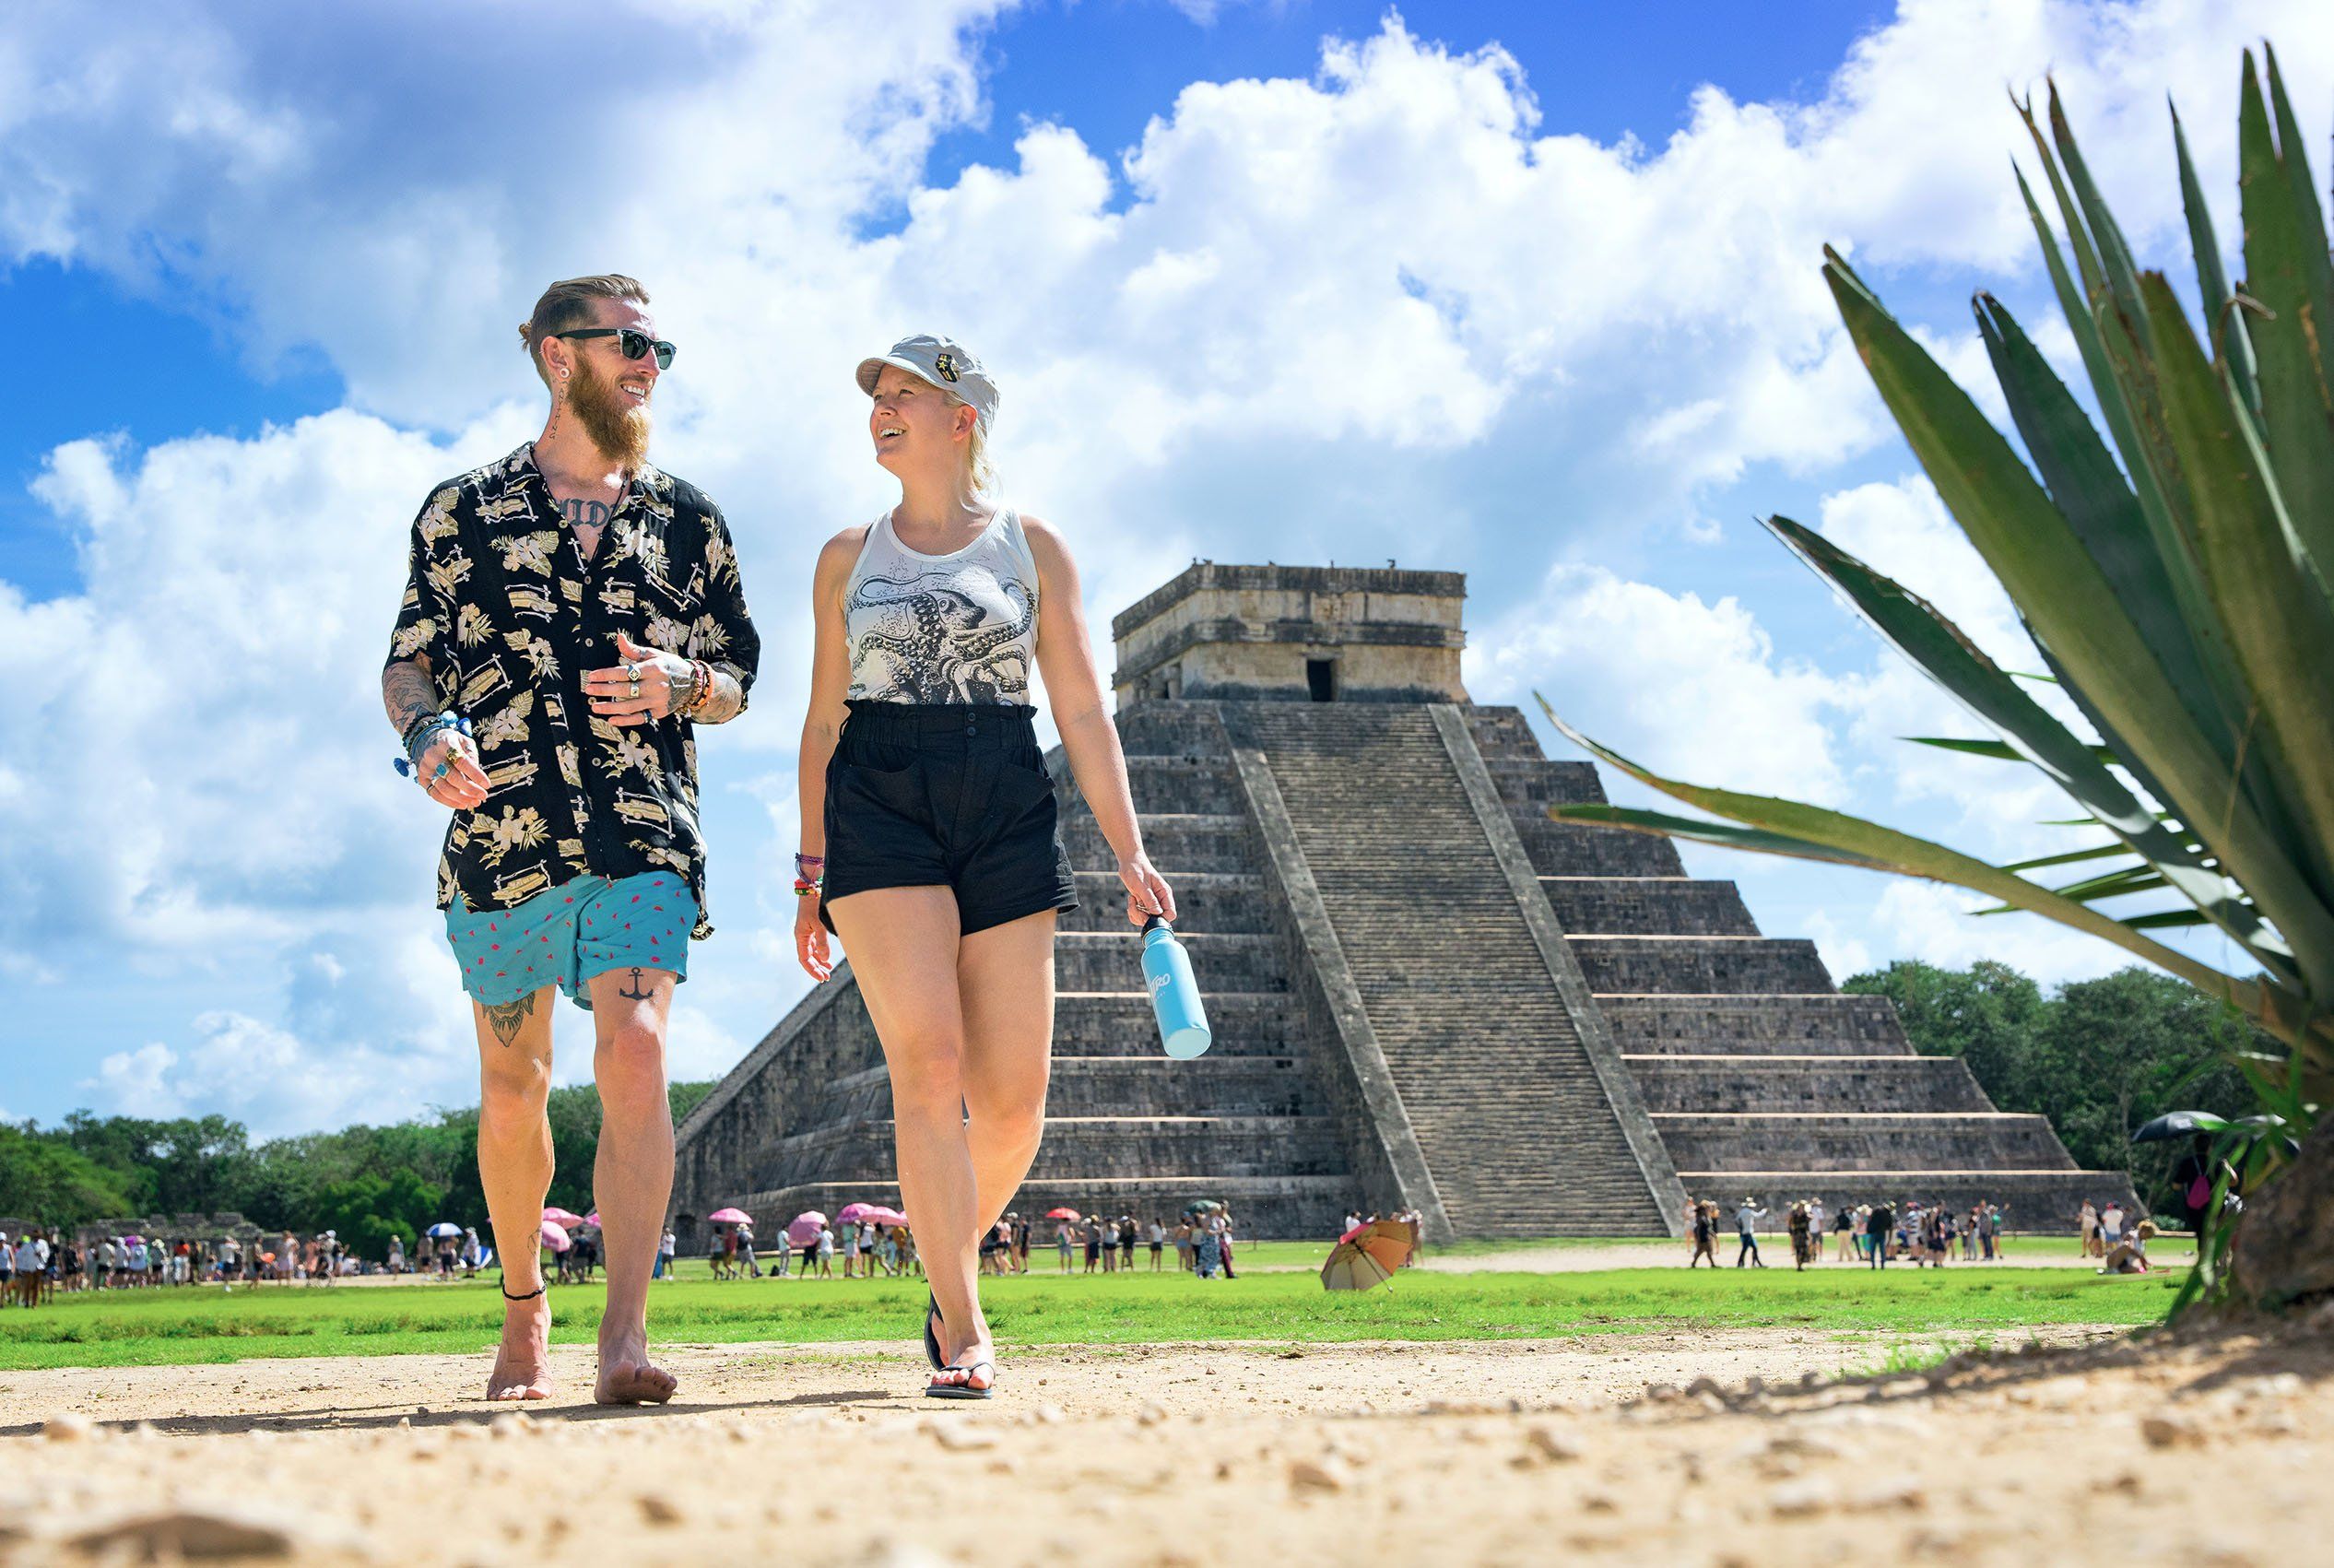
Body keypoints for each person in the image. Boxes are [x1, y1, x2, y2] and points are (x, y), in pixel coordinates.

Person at [383, 275, 759, 1404]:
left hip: (645, 831)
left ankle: (625, 1336)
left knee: (637, 1050)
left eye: (662, 349)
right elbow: (410, 657)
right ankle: (523, 1305)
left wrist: (681, 680)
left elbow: (738, 677)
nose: (652, 366)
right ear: (558, 355)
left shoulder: (689, 518)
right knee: (514, 1083)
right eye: (633, 345)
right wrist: (424, 732)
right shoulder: (459, 509)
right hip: (501, 836)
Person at [791, 335, 1174, 1401]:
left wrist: (1131, 848)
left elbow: (1083, 709)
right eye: (878, 394)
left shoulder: (1032, 548)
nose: (883, 406)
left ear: (963, 419)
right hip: (880, 798)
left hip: (1003, 788)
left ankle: (942, 1264)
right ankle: (965, 1327)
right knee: (931, 1064)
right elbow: (823, 720)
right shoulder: (843, 556)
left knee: (1012, 1105)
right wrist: (810, 865)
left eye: (907, 393)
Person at [1735, 1197, 1767, 1268]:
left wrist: (1741, 1227)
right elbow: (1757, 1215)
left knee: (1750, 1248)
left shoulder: (1742, 1211)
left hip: (1744, 1233)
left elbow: (1737, 1220)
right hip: (1747, 1233)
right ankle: (1742, 1263)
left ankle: (1745, 1263)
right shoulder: (1748, 1211)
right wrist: (1764, 1211)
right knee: (1749, 1249)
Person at [1688, 1201, 1719, 1267]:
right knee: (1705, 1250)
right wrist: (1698, 1237)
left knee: (1702, 1251)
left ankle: (1694, 1263)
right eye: (1709, 1207)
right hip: (1703, 1236)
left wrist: (1712, 1233)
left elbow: (1707, 1227)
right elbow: (1701, 1228)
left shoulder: (1705, 1216)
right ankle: (1712, 1264)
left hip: (1705, 1235)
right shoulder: (1701, 1217)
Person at [1865, 1201, 1893, 1269]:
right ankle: (1882, 1264)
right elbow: (1890, 1226)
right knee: (1882, 1249)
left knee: (1872, 1249)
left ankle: (1873, 1264)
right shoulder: (1887, 1214)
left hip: (1874, 1233)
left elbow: (1870, 1222)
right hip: (1881, 1233)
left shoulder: (1876, 1211)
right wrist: (1889, 1239)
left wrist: (1868, 1231)